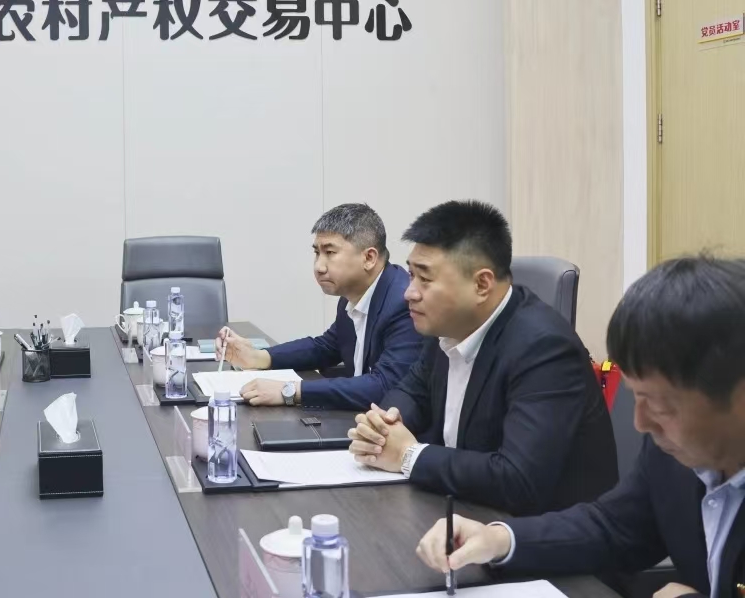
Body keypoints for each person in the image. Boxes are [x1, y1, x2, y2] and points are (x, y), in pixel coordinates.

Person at [414, 256, 745, 598]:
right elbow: (614, 527)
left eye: (660, 404)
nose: (640, 422)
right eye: (635, 396)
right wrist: (499, 539)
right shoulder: (675, 452)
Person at [347, 200, 617, 515]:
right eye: (411, 275)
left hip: (537, 530)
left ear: (481, 284)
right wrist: (385, 425)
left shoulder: (545, 349)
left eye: (425, 279)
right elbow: (411, 391)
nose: (410, 292)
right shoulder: (447, 326)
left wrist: (408, 455)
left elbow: (518, 480)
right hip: (462, 506)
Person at [215, 203, 423, 409]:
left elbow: (385, 386)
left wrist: (291, 391)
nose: (319, 267)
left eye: (330, 253)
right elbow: (326, 347)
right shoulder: (353, 294)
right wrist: (258, 357)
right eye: (317, 253)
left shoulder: (404, 303)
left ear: (369, 258)